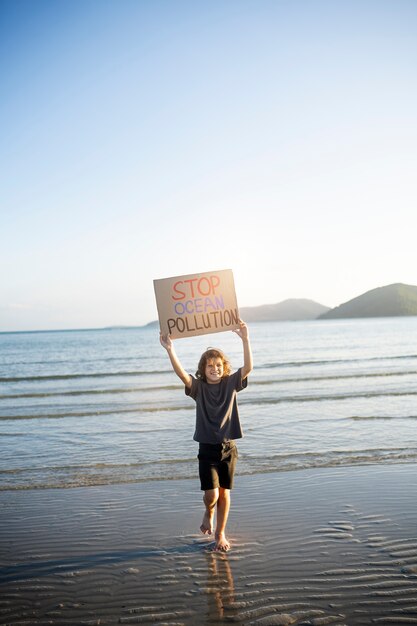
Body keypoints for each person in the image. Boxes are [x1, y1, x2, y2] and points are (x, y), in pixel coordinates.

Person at [159, 320, 253, 552]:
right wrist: (170, 349)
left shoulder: (231, 383)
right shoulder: (198, 388)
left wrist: (245, 338)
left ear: (224, 367)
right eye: (210, 366)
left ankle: (220, 534)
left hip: (228, 448)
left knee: (225, 493)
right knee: (211, 495)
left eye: (218, 365)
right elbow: (182, 374)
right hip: (207, 449)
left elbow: (248, 367)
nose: (215, 369)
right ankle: (208, 511)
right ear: (203, 368)